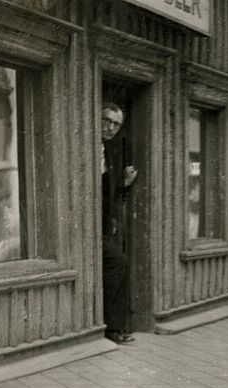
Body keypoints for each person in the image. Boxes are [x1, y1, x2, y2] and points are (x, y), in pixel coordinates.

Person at [101, 102, 137, 344]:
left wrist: (124, 184)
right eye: (107, 121)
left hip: (102, 226)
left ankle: (114, 328)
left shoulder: (111, 152)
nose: (111, 127)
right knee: (118, 262)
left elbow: (110, 194)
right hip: (84, 227)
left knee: (117, 263)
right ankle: (112, 328)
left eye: (116, 124)